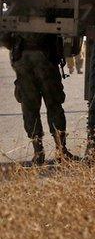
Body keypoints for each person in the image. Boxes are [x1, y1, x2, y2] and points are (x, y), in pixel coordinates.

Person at [1, 32, 75, 165]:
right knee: (54, 105)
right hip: (46, 58)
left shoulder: (15, 10)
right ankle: (61, 151)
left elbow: (4, 37)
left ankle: (38, 152)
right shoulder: (52, 11)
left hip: (23, 60)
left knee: (30, 108)